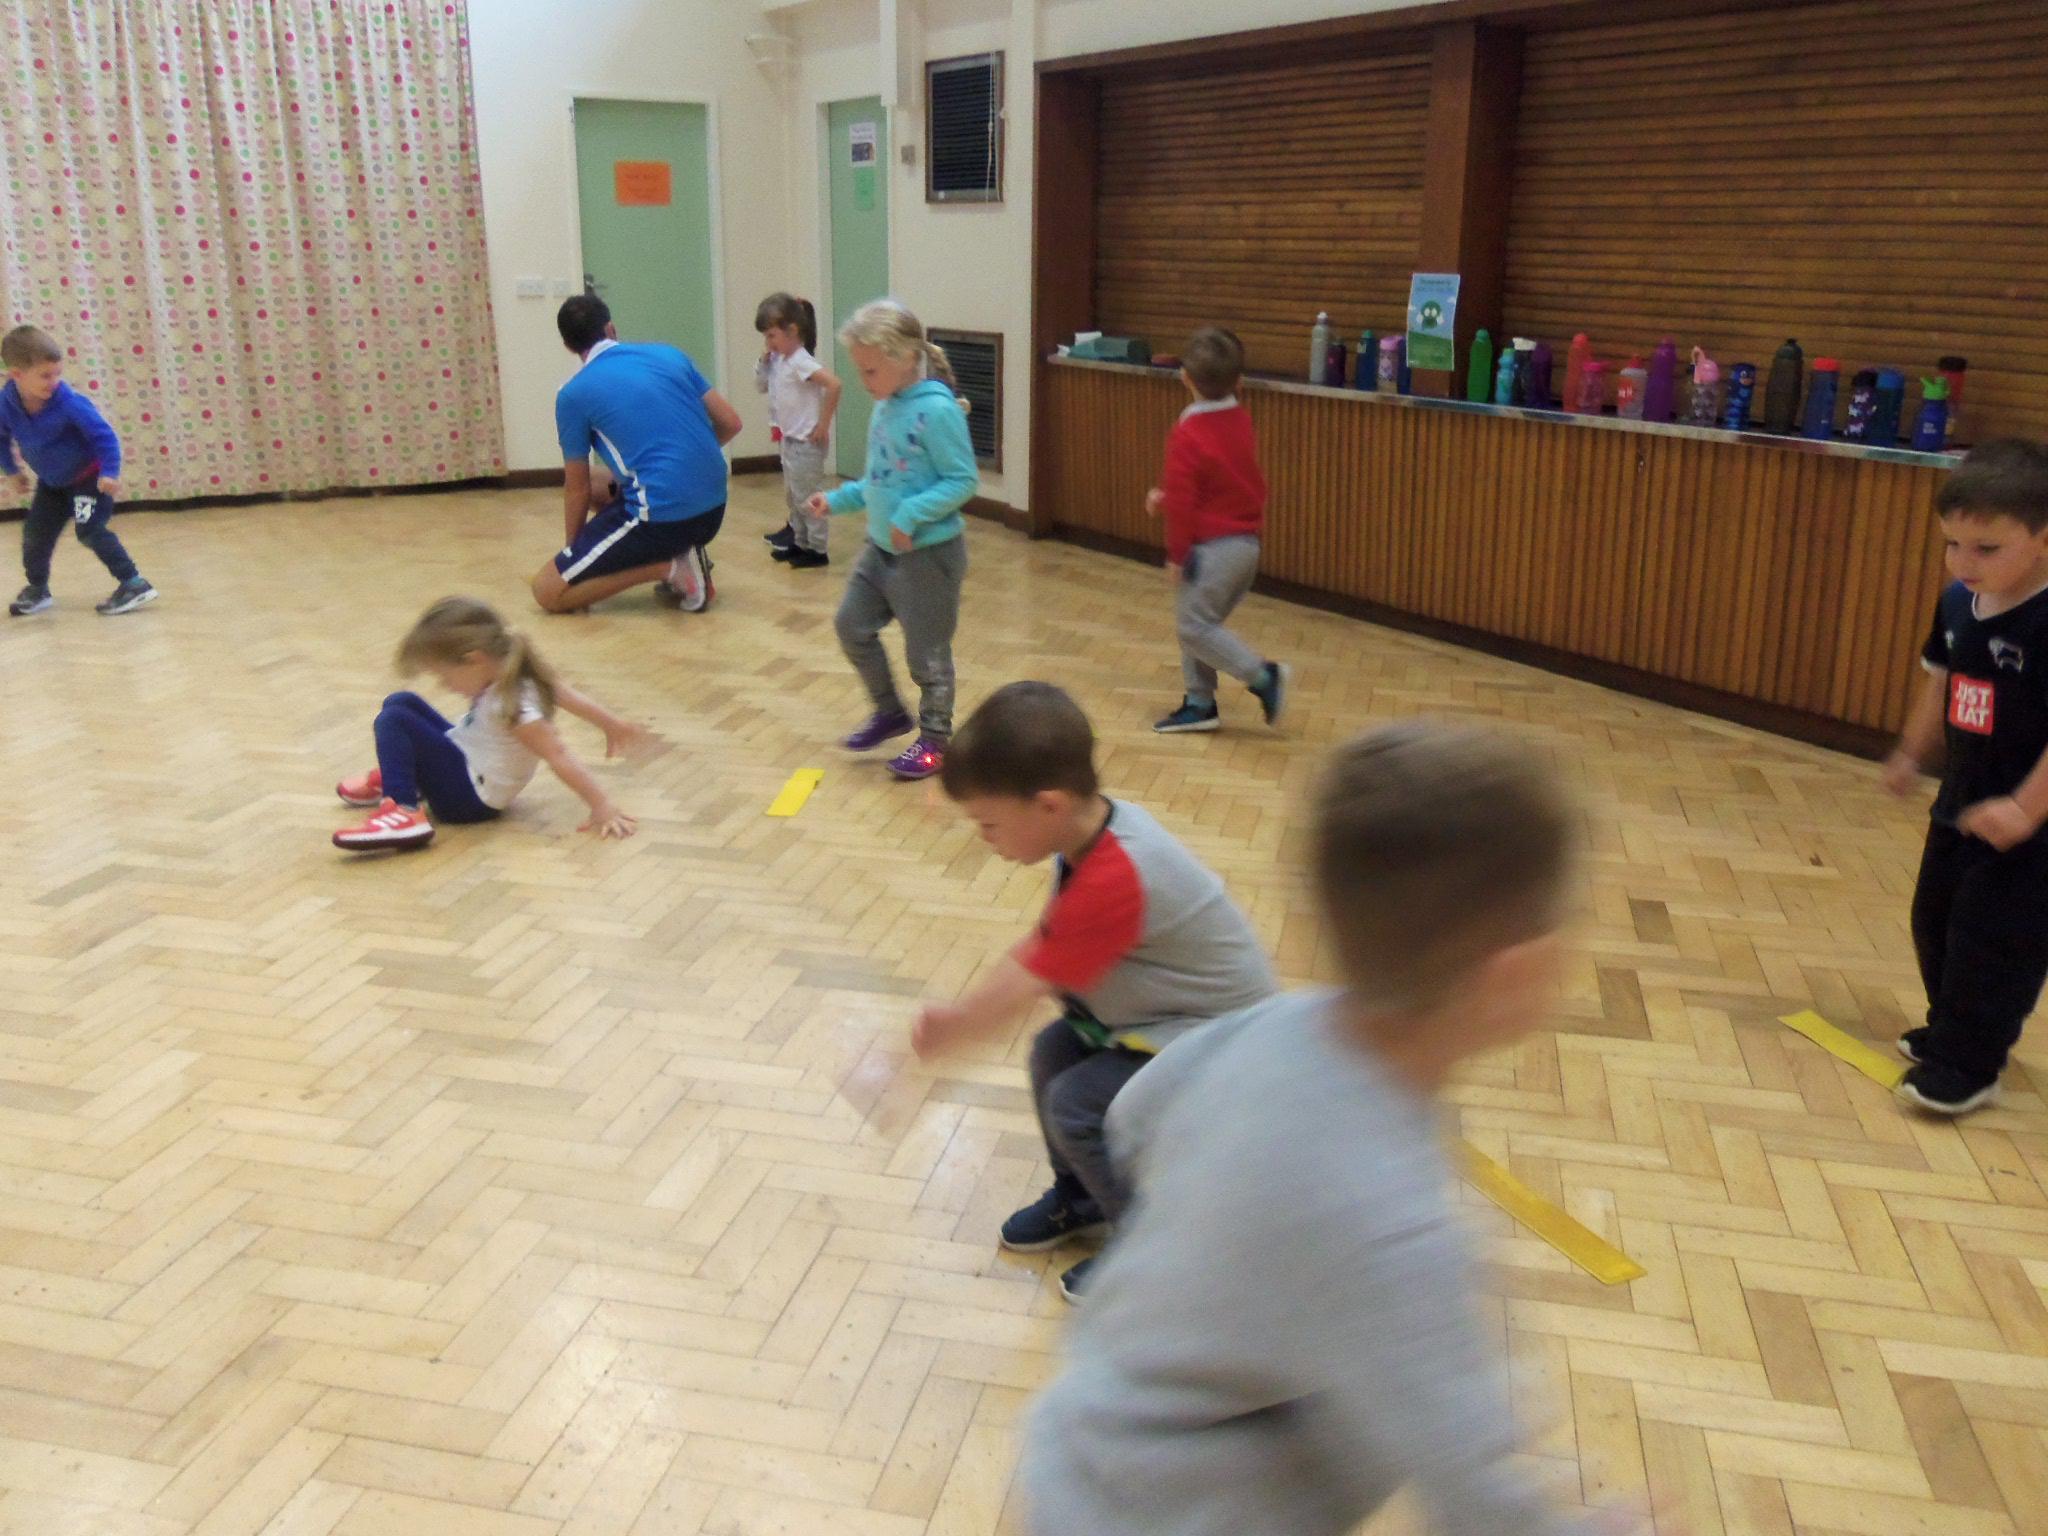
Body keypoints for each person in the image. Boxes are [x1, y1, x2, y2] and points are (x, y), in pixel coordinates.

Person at [1021, 722, 1614, 1536]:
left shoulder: (1272, 1026)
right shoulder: (1394, 1227)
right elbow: (1479, 1502)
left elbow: (1133, 1117)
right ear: (1516, 973)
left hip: (1081, 1449)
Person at [913, 681, 1275, 1300]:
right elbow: (1045, 946)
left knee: (1078, 1104)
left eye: (989, 823)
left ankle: (1153, 1244)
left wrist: (959, 1024)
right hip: (1161, 1022)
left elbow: (1030, 978)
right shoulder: (1091, 832)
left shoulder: (1116, 872)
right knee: (1051, 1055)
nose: (984, 837)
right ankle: (1082, 1200)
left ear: (1049, 806)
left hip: (1225, 1047)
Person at [1883, 439, 2048, 1114]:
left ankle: (1971, 1063)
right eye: (1953, 544)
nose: (1963, 562)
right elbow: (1942, 682)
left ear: (2043, 538)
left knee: (1994, 938)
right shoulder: (1957, 603)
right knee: (1936, 919)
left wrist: (2026, 810)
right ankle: (1951, 1028)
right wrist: (1911, 753)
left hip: (2031, 820)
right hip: (1963, 800)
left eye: (1987, 548)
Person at [806, 299, 979, 781]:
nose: (864, 382)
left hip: (928, 557)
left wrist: (910, 514)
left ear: (905, 358)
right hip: (880, 551)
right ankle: (889, 712)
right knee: (851, 626)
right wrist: (836, 500)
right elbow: (879, 481)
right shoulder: (886, 407)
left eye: (871, 370)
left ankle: (936, 741)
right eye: (860, 370)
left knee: (927, 656)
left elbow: (963, 480)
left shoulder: (937, 412)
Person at [332, 596, 648, 852]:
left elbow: (558, 755)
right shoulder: (516, 673)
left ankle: (403, 810)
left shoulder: (512, 707)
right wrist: (611, 724)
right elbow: (567, 695)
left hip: (468, 801)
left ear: (474, 659)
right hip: (468, 764)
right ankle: (404, 777)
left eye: (445, 676)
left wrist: (601, 805)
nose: (445, 686)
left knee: (394, 719)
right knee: (401, 702)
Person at [533, 295, 742, 615]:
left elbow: (576, 488)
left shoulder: (573, 394)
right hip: (713, 510)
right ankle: (682, 550)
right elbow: (731, 423)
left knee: (548, 591)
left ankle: (668, 568)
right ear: (611, 329)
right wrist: (686, 464)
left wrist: (573, 565)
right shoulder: (670, 355)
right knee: (600, 480)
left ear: (568, 345)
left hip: (663, 518)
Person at [1146, 325, 1287, 733]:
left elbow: (1185, 505)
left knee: (1193, 626)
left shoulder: (1188, 433)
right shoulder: (1239, 419)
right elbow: (1219, 484)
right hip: (1245, 548)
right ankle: (1200, 703)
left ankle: (1264, 677)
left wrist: (1176, 556)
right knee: (1198, 621)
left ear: (1184, 377)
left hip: (1212, 551)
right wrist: (1168, 496)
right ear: (1239, 382)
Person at [2, 324, 155, 617]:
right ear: (17, 375)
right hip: (52, 486)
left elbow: (104, 437)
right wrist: (11, 470)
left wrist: (109, 472)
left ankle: (134, 583)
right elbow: (0, 438)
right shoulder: (5, 405)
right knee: (35, 535)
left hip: (89, 483)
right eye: (45, 376)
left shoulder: (69, 403)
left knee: (89, 530)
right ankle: (37, 589)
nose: (54, 382)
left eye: (57, 373)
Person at [754, 292, 841, 569]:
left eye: (772, 336)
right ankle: (800, 543)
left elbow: (834, 385)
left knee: (808, 496)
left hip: (806, 442)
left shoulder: (801, 360)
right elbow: (760, 386)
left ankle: (817, 549)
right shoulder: (780, 360)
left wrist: (823, 423)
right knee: (794, 496)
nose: (769, 342)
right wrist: (764, 362)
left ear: (792, 331)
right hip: (790, 439)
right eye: (766, 337)